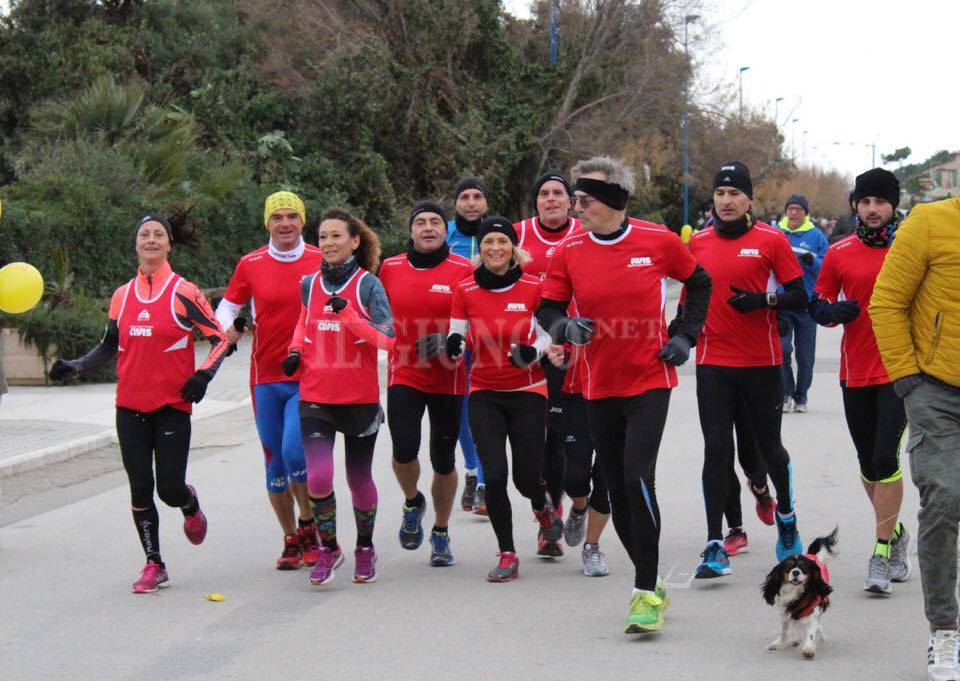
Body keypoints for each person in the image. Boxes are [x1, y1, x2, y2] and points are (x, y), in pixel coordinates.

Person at [538, 156, 711, 633]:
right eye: (575, 199)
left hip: (650, 380)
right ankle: (652, 583)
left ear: (612, 201)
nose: (576, 208)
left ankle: (643, 590)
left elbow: (698, 282)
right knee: (613, 487)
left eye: (584, 201)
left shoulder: (657, 241)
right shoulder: (569, 251)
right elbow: (548, 306)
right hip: (596, 383)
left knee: (637, 478)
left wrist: (683, 335)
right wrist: (564, 326)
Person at [49, 214, 228, 593]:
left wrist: (202, 377)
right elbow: (109, 345)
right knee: (140, 489)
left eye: (157, 235)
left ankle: (189, 503)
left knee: (169, 489)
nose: (150, 239)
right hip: (129, 407)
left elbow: (220, 340)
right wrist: (76, 366)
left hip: (171, 407)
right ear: (136, 244)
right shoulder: (122, 295)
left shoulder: (185, 292)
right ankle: (154, 563)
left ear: (168, 245)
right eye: (143, 234)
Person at [687, 161, 807, 580]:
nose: (726, 200)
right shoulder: (698, 243)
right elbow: (690, 300)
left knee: (769, 449)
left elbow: (799, 296)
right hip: (713, 363)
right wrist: (678, 333)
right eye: (720, 193)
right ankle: (714, 543)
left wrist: (763, 301)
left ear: (749, 199)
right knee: (716, 450)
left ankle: (786, 518)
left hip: (762, 363)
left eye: (735, 193)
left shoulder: (772, 240)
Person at [433, 216, 560, 582]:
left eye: (502, 242)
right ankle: (507, 553)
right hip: (485, 392)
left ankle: (543, 508)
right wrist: (453, 344)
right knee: (497, 478)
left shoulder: (534, 287)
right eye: (488, 241)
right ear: (481, 248)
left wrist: (531, 353)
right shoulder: (465, 289)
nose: (494, 248)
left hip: (528, 392)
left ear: (513, 248)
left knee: (524, 477)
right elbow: (457, 335)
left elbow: (547, 335)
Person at [870, 188, 960, 681]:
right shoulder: (929, 222)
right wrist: (906, 375)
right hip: (936, 391)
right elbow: (886, 302)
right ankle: (945, 632)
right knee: (945, 498)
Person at [810, 168, 910, 596]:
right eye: (865, 202)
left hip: (901, 370)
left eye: (881, 202)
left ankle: (883, 551)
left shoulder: (910, 248)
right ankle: (898, 530)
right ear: (856, 205)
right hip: (855, 371)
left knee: (886, 459)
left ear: (893, 206)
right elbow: (819, 299)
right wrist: (831, 313)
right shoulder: (840, 251)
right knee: (868, 464)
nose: (872, 210)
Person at [283, 207, 394, 587]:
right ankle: (329, 548)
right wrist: (295, 350)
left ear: (354, 241)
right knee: (318, 476)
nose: (328, 243)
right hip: (315, 395)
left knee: (357, 477)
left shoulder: (368, 285)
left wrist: (350, 318)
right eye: (323, 237)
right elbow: (304, 321)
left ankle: (365, 547)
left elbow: (388, 339)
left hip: (359, 398)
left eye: (336, 236)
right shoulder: (308, 284)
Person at [216, 191, 325, 570]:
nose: (285, 224)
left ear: (302, 222)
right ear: (267, 223)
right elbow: (228, 305)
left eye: (292, 216)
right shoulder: (251, 263)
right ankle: (291, 537)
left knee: (296, 453)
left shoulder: (320, 259)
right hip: (265, 377)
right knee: (275, 463)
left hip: (307, 375)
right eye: (277, 217)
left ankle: (310, 525)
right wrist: (226, 327)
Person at [380, 201, 472, 567]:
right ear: (411, 230)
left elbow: (477, 319)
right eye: (421, 222)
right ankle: (412, 500)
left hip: (449, 375)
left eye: (436, 221)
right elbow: (373, 313)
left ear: (444, 229)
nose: (429, 227)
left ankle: (441, 531)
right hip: (405, 370)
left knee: (444, 458)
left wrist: (449, 340)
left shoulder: (463, 269)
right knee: (404, 448)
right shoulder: (390, 268)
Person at [514, 171, 582, 556]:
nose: (552, 199)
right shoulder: (518, 235)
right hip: (533, 351)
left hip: (579, 349)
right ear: (536, 201)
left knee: (573, 434)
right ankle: (549, 520)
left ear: (571, 201)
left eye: (559, 193)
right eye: (544, 194)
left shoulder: (584, 233)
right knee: (543, 438)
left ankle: (578, 499)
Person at [445, 177, 488, 512]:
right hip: (455, 334)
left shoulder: (498, 235)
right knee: (461, 409)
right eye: (465, 196)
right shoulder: (443, 233)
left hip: (490, 334)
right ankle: (472, 470)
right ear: (456, 202)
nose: (471, 202)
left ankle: (486, 482)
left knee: (483, 407)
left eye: (477, 197)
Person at [777, 194, 828, 413]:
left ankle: (801, 396)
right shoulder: (777, 234)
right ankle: (786, 391)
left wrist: (812, 260)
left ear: (805, 213)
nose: (794, 213)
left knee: (805, 356)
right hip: (783, 302)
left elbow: (827, 268)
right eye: (791, 209)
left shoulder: (816, 236)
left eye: (798, 209)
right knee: (782, 349)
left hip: (808, 305)